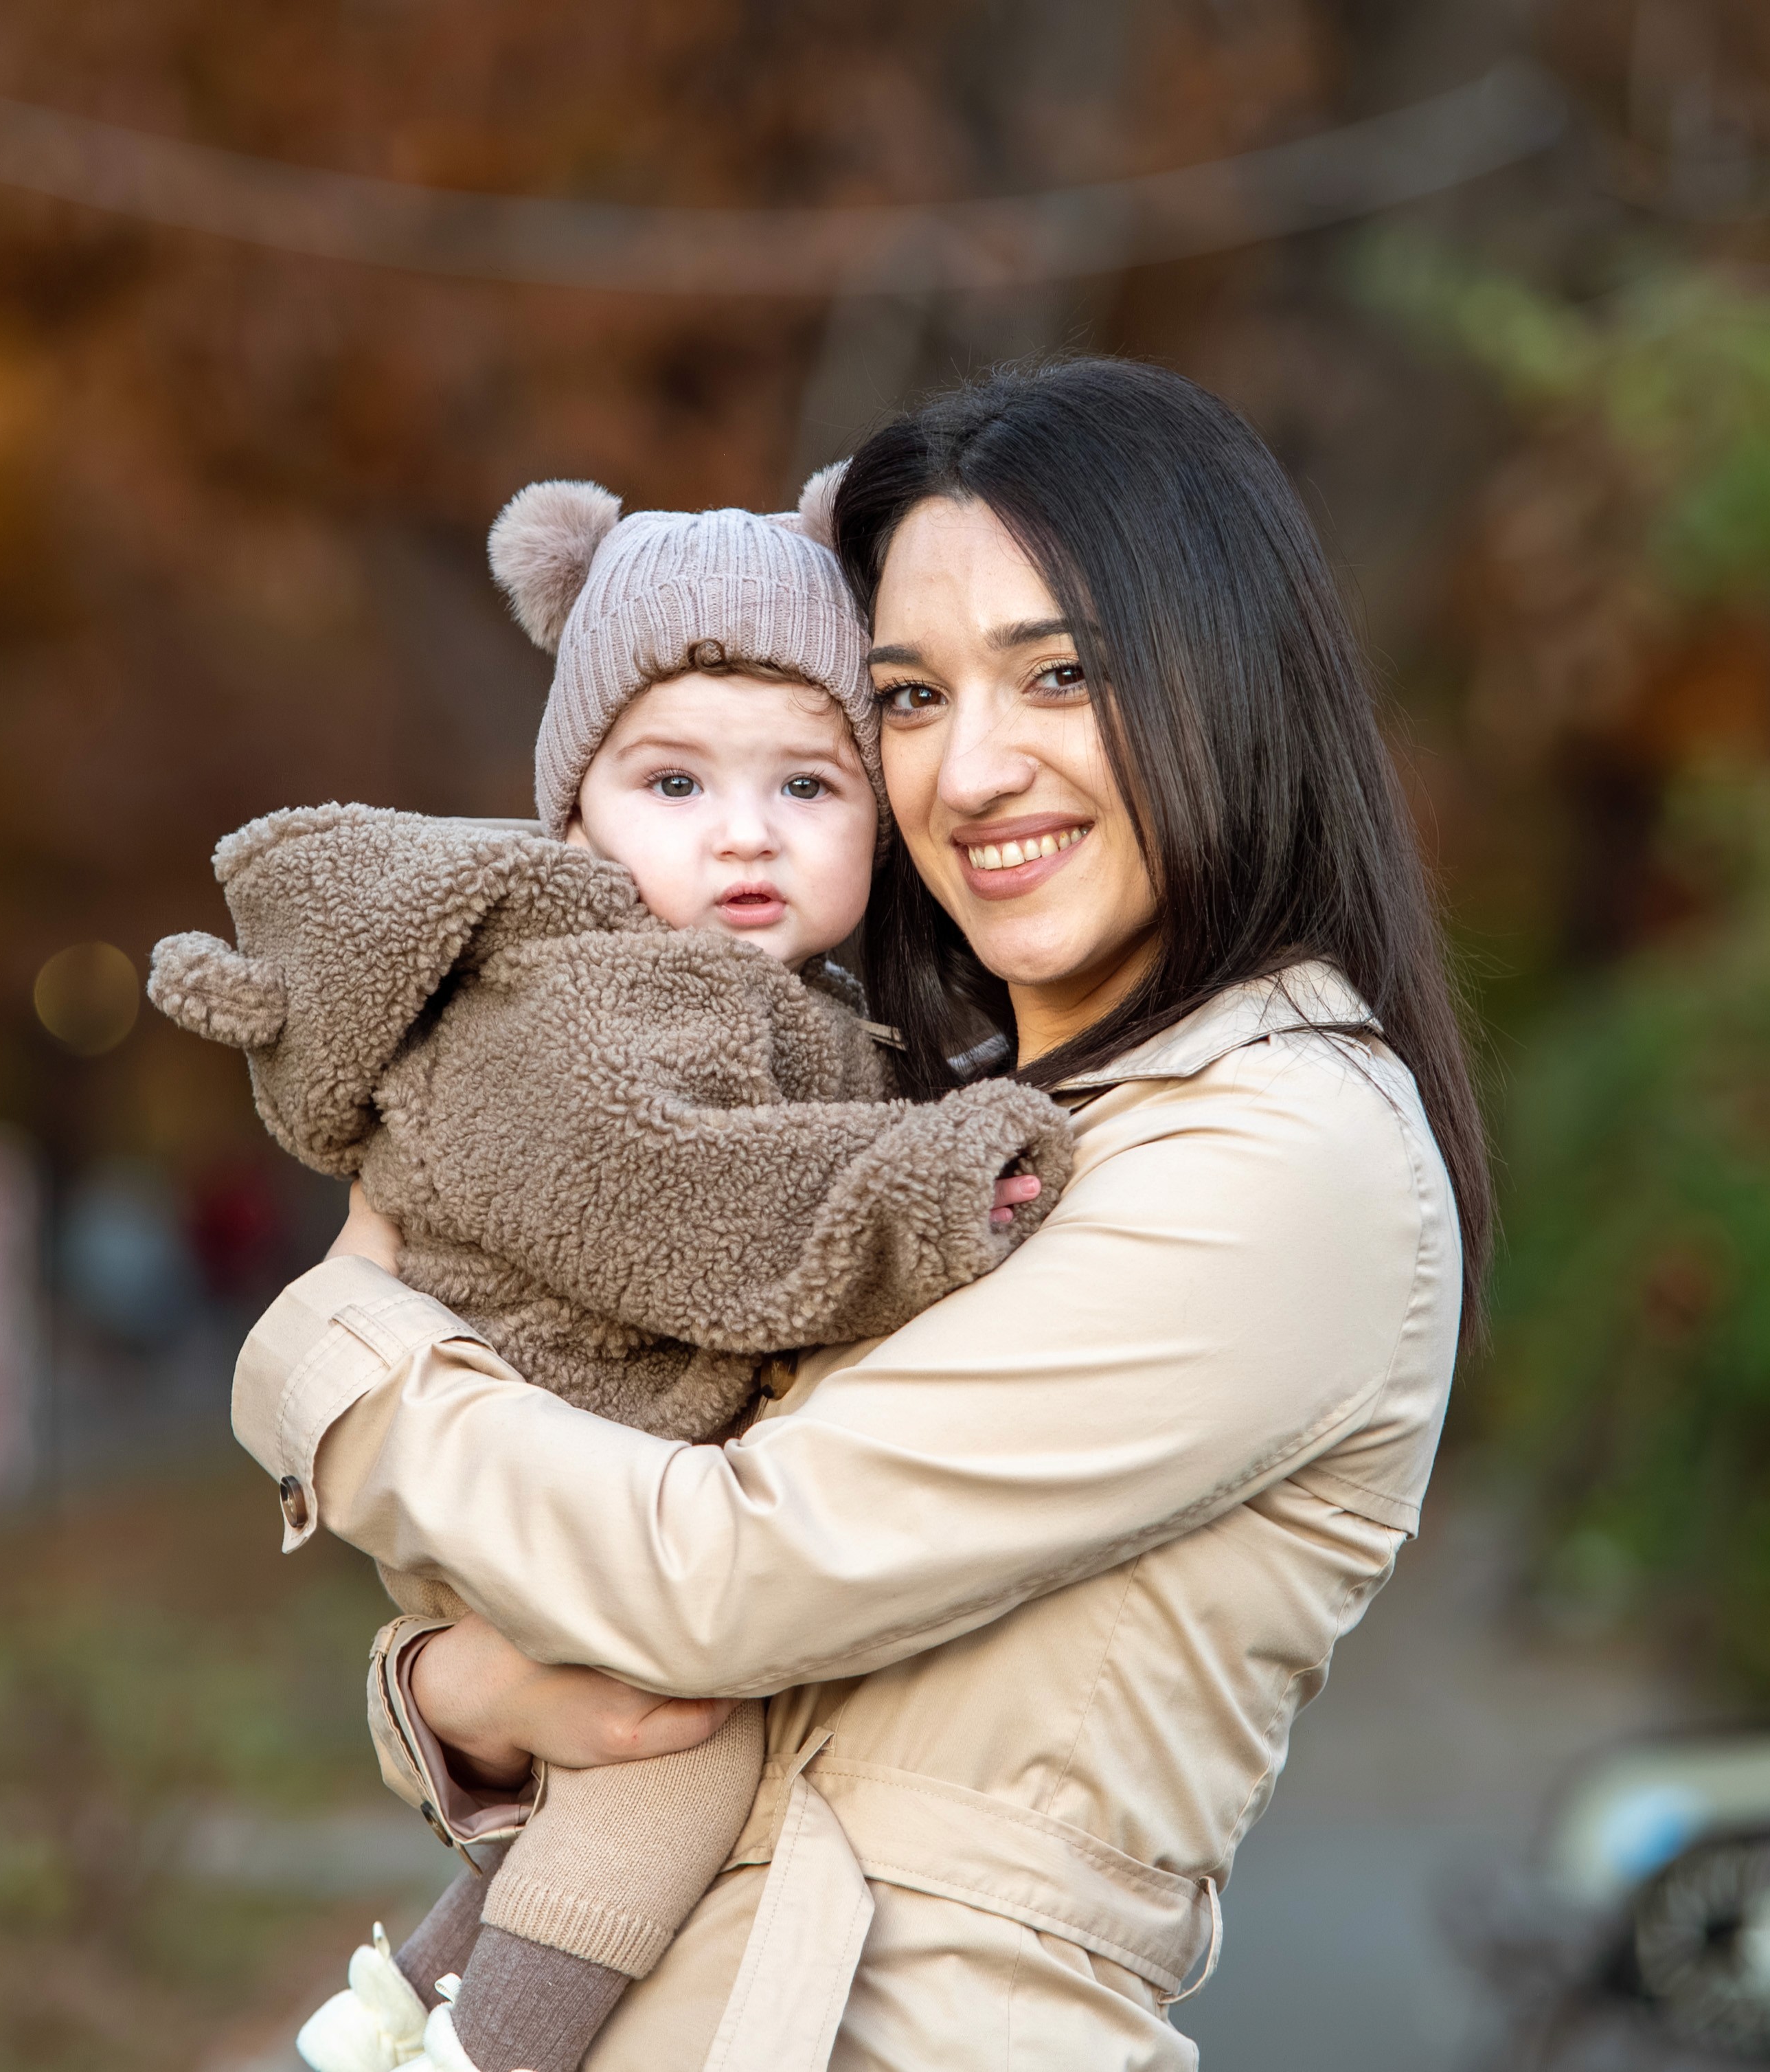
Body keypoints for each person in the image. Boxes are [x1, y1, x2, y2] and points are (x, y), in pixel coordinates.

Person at [236, 357, 1490, 2070]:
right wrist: (452, 1697)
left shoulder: (1281, 1155)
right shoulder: (919, 1116)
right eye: (907, 697)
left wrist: (338, 1356)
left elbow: (725, 1568)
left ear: (1230, 680)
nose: (971, 769)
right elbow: (630, 1549)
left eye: (1058, 674)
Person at [148, 473, 1072, 2072]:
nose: (741, 832)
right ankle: (483, 2049)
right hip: (559, 1452)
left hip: (579, 1474)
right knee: (676, 1764)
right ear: (572, 810)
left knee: (632, 1770)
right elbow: (680, 1209)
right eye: (671, 781)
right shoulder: (578, 1006)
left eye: (806, 783)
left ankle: (406, 2004)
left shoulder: (776, 1008)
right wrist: (931, 1184)